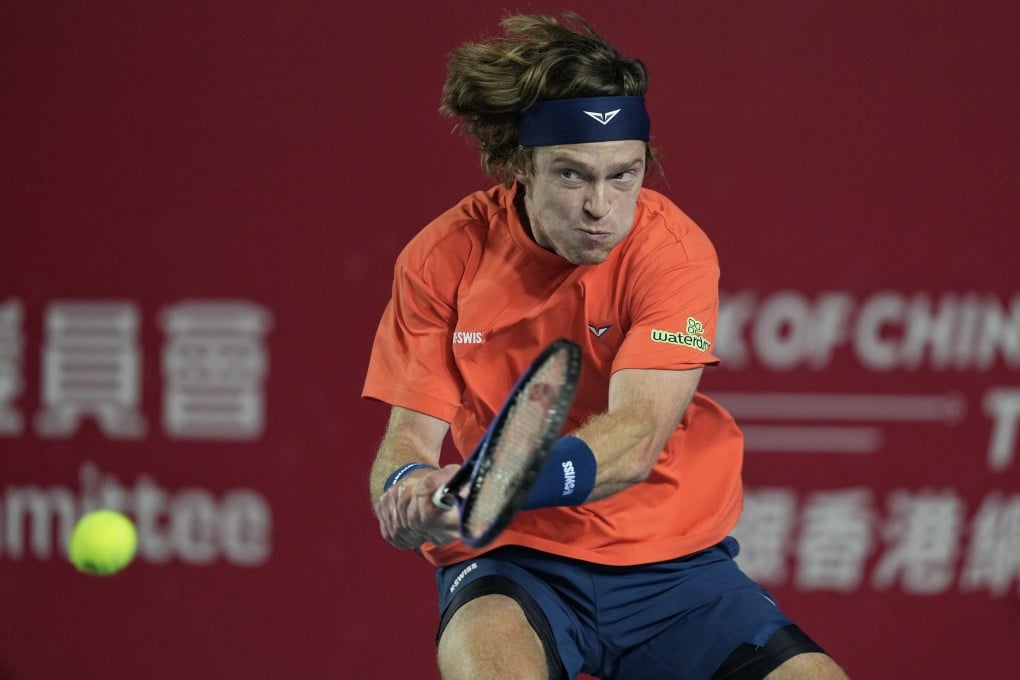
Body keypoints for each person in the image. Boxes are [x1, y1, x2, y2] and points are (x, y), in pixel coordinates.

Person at [364, 11, 850, 680]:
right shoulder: (443, 256)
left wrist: (498, 482)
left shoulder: (672, 253)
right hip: (513, 558)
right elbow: (409, 438)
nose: (601, 206)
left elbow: (637, 436)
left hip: (672, 565)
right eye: (572, 176)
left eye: (624, 174)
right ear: (520, 166)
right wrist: (405, 489)